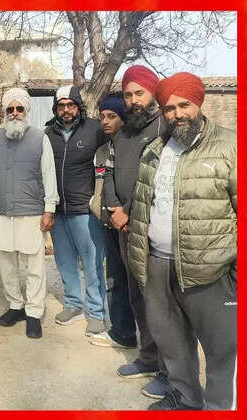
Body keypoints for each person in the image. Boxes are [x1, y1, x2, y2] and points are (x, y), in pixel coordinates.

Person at [128, 72, 237, 410]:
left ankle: (220, 408)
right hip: (158, 265)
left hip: (212, 270)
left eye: (184, 105)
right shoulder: (155, 151)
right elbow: (143, 207)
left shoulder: (230, 147)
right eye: (169, 108)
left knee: (222, 349)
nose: (178, 114)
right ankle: (186, 398)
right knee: (171, 340)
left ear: (199, 103)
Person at [103, 65, 170, 399]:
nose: (133, 100)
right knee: (137, 297)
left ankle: (170, 372)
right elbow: (109, 174)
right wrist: (115, 209)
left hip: (153, 231)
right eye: (128, 95)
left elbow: (160, 181)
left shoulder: (166, 130)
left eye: (139, 93)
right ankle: (147, 357)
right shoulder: (123, 135)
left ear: (153, 93)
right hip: (124, 229)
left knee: (160, 303)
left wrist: (129, 211)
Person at [0, 88, 59, 338]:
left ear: (26, 110)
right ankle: (15, 305)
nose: (14, 113)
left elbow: (49, 176)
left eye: (19, 108)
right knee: (7, 265)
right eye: (10, 109)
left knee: (34, 265)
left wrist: (49, 209)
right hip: (1, 211)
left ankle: (33, 312)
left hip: (31, 212)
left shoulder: (39, 138)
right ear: (5, 112)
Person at [44, 85, 107, 336]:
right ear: (56, 108)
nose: (66, 110)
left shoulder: (95, 130)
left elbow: (107, 163)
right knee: (65, 261)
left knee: (92, 264)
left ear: (78, 106)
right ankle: (73, 304)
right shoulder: (49, 134)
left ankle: (97, 313)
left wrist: (98, 199)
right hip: (58, 210)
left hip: (85, 211)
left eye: (70, 105)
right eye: (61, 106)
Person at [87, 96, 139, 349]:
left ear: (123, 118)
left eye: (112, 116)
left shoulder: (135, 147)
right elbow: (101, 186)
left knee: (136, 282)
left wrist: (125, 213)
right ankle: (122, 332)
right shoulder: (101, 152)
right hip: (108, 223)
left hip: (130, 224)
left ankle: (150, 340)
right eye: (102, 116)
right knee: (115, 279)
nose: (105, 121)